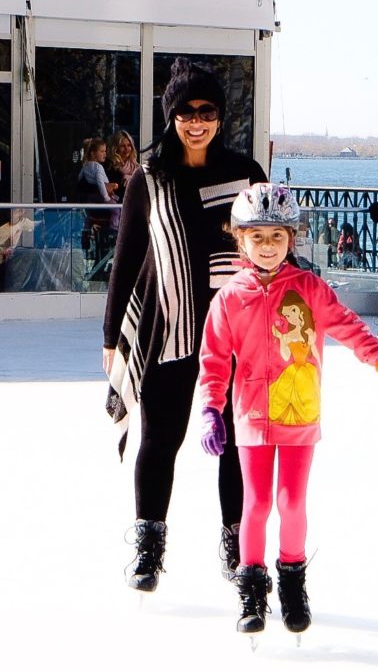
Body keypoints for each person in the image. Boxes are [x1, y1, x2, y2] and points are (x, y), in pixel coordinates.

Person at [196, 183, 378, 636]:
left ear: (291, 239)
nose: (266, 246)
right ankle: (252, 590)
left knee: (292, 501)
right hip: (252, 416)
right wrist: (209, 409)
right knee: (255, 503)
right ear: (239, 239)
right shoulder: (228, 299)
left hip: (299, 413)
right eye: (256, 237)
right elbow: (214, 360)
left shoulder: (309, 288)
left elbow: (349, 326)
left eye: (276, 236)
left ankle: (293, 582)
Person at [101, 57, 267, 594]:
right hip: (168, 325)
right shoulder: (149, 179)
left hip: (237, 330)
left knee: (239, 440)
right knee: (161, 437)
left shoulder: (246, 175)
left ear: (220, 117)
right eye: (187, 112)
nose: (198, 121)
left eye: (208, 111)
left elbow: (270, 251)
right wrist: (110, 338)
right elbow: (126, 261)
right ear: (171, 116)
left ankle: (236, 541)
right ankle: (149, 550)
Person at [106, 130, 141, 202]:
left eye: (129, 145)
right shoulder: (109, 166)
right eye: (122, 146)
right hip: (116, 206)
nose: (126, 149)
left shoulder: (136, 167)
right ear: (116, 148)